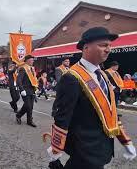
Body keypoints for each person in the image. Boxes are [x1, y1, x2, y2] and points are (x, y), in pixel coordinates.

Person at [47, 27, 136, 169]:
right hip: (83, 151)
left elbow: (110, 111)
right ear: (86, 47)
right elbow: (62, 117)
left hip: (102, 148)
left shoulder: (103, 75)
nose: (108, 49)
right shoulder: (71, 77)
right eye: (103, 45)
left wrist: (126, 141)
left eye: (109, 46)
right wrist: (56, 151)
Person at [16, 55, 38, 127]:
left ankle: (29, 121)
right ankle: (18, 115)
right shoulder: (23, 68)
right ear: (27, 60)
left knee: (30, 106)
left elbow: (34, 79)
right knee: (28, 105)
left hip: (32, 90)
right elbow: (18, 80)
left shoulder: (32, 69)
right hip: (25, 90)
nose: (33, 61)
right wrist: (21, 89)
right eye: (31, 60)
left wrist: (36, 88)